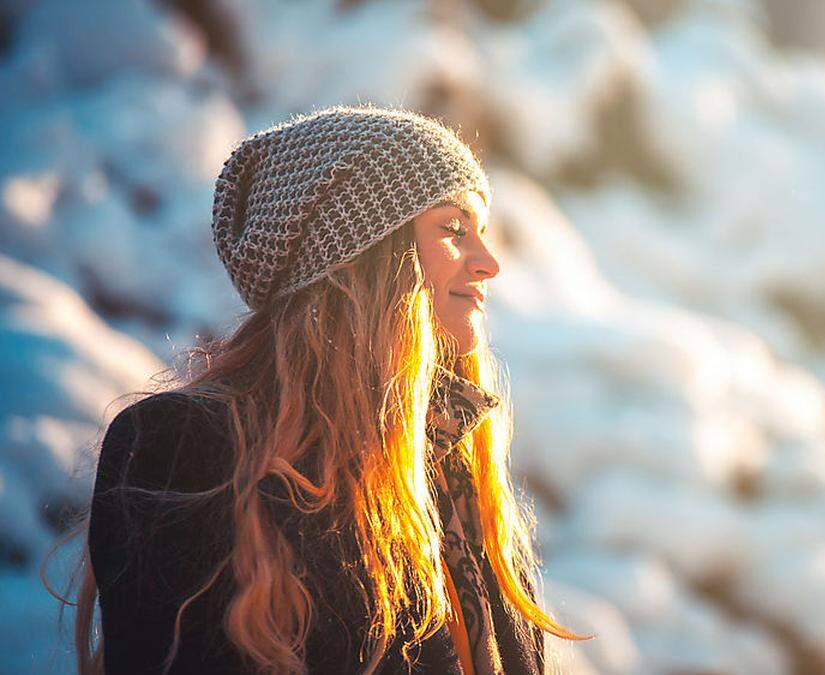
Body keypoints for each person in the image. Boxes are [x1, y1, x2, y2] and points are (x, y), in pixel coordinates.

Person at [65, 106, 590, 674]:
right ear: (362, 259)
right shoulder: (183, 447)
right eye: (452, 230)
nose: (488, 263)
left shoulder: (450, 468)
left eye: (481, 234)